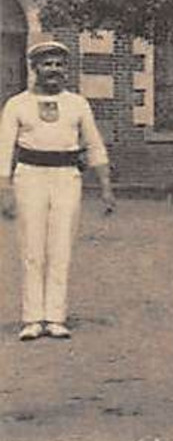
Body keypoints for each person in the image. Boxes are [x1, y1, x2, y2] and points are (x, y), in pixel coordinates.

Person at [1, 40, 114, 341]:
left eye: (59, 65)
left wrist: (105, 188)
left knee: (61, 246)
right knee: (32, 247)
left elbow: (94, 145)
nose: (53, 70)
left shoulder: (77, 104)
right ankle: (31, 318)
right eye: (47, 64)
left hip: (66, 177)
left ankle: (55, 317)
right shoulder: (17, 104)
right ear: (34, 67)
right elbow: (3, 150)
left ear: (65, 70)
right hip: (30, 177)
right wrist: (5, 189)